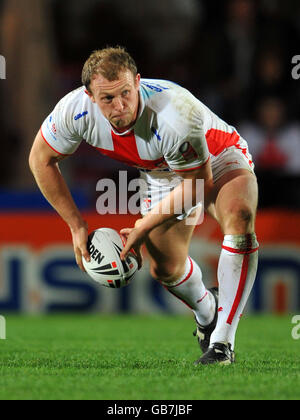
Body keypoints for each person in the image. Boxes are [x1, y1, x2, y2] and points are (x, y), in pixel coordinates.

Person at [29, 47, 259, 365]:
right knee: (166, 269)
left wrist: (144, 224)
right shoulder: (75, 111)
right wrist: (76, 224)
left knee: (239, 217)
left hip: (216, 156)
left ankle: (222, 344)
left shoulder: (175, 113)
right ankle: (207, 312)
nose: (120, 105)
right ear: (90, 95)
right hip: (160, 173)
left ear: (137, 82)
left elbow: (198, 184)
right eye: (107, 98)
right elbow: (41, 159)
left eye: (125, 92)